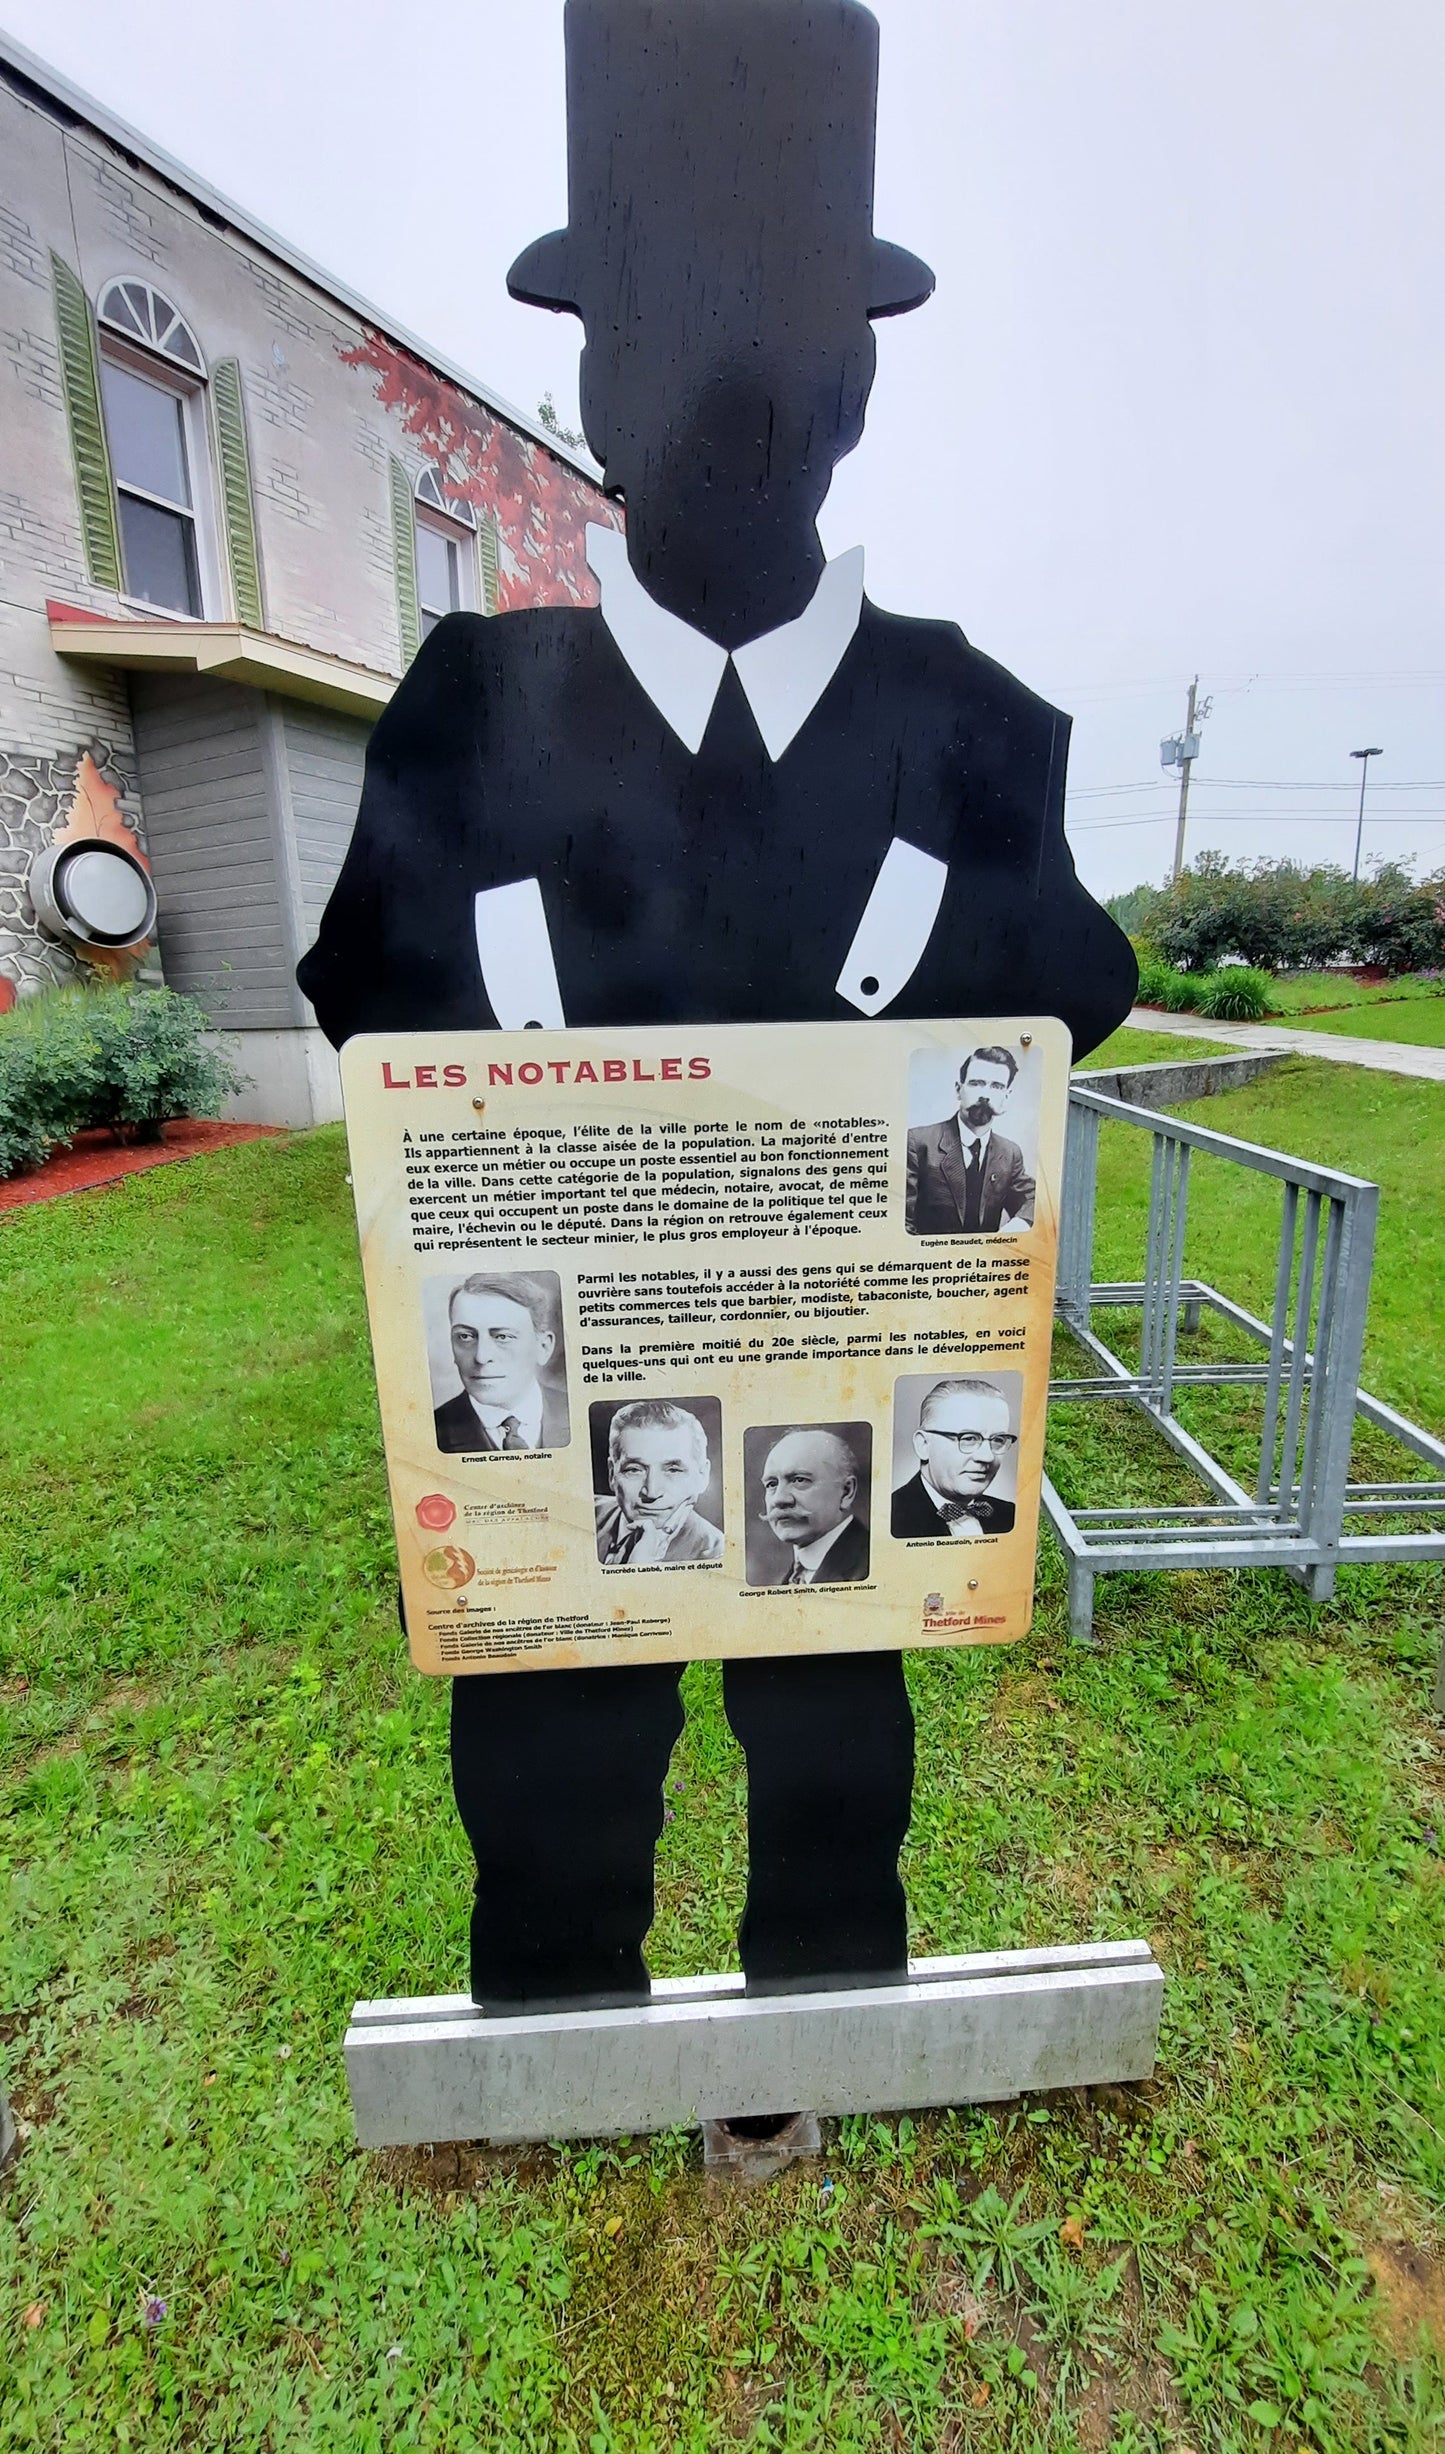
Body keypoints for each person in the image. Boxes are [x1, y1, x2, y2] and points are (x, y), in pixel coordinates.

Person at [298, 0, 1137, 2012]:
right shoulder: (466, 723)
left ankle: (817, 2017)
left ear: (855, 386)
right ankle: (556, 2028)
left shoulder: (972, 732)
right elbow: (371, 1006)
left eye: (776, 349)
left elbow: (1063, 995)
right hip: (552, 1431)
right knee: (554, 1760)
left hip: (855, 1423)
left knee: (834, 1746)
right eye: (657, 337)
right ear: (587, 380)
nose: (723, 396)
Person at [906, 1048, 1035, 1237]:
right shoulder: (919, 1142)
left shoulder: (1009, 1153)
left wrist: (1017, 1227)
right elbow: (903, 1223)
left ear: (1006, 1096)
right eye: (976, 1083)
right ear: (959, 1090)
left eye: (996, 1086)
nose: (985, 1095)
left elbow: (1034, 1200)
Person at [433, 1273, 569, 1453]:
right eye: (465, 1336)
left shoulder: (579, 1414)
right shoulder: (432, 1430)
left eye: (502, 1337)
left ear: (543, 1347)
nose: (481, 1357)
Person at [595, 1400, 723, 1565]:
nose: (652, 1492)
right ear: (612, 1473)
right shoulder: (580, 1515)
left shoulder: (717, 1553)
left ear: (702, 1477)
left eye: (673, 1470)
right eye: (634, 1470)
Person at [892, 1378, 1018, 1538]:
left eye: (998, 1440)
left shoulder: (1010, 1515)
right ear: (923, 1445)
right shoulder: (888, 1519)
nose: (987, 1457)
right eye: (968, 1438)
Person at [757, 1429, 870, 1584]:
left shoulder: (873, 1563)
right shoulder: (792, 1576)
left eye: (799, 1480)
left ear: (846, 1492)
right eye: (771, 1484)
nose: (779, 1499)